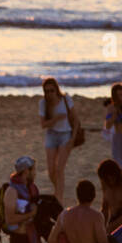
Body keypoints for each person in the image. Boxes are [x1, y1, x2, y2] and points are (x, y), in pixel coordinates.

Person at [39, 76, 79, 204]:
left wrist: (72, 139)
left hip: (65, 135)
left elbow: (76, 120)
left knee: (59, 169)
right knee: (51, 170)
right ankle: (58, 190)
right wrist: (55, 118)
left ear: (56, 90)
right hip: (51, 134)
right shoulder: (43, 103)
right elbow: (43, 124)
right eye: (47, 91)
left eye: (52, 90)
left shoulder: (66, 99)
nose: (50, 93)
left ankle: (59, 199)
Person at [97, 157, 122, 232]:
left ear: (117, 175)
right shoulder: (106, 185)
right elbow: (105, 209)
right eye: (106, 179)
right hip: (112, 222)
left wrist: (111, 226)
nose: (110, 181)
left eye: (111, 178)